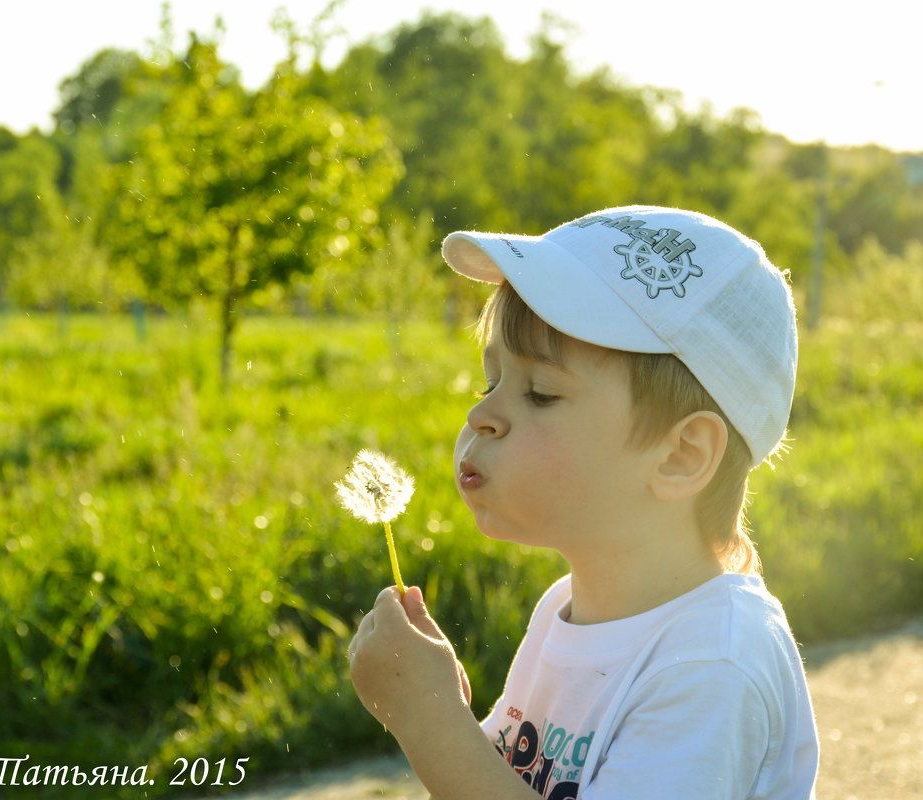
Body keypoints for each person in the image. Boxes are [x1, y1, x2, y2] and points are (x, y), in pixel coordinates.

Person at [347, 205, 820, 799]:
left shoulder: (711, 665)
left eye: (540, 393)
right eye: (491, 382)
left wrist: (430, 722)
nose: (480, 417)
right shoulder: (564, 608)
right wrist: (446, 709)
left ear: (681, 455)